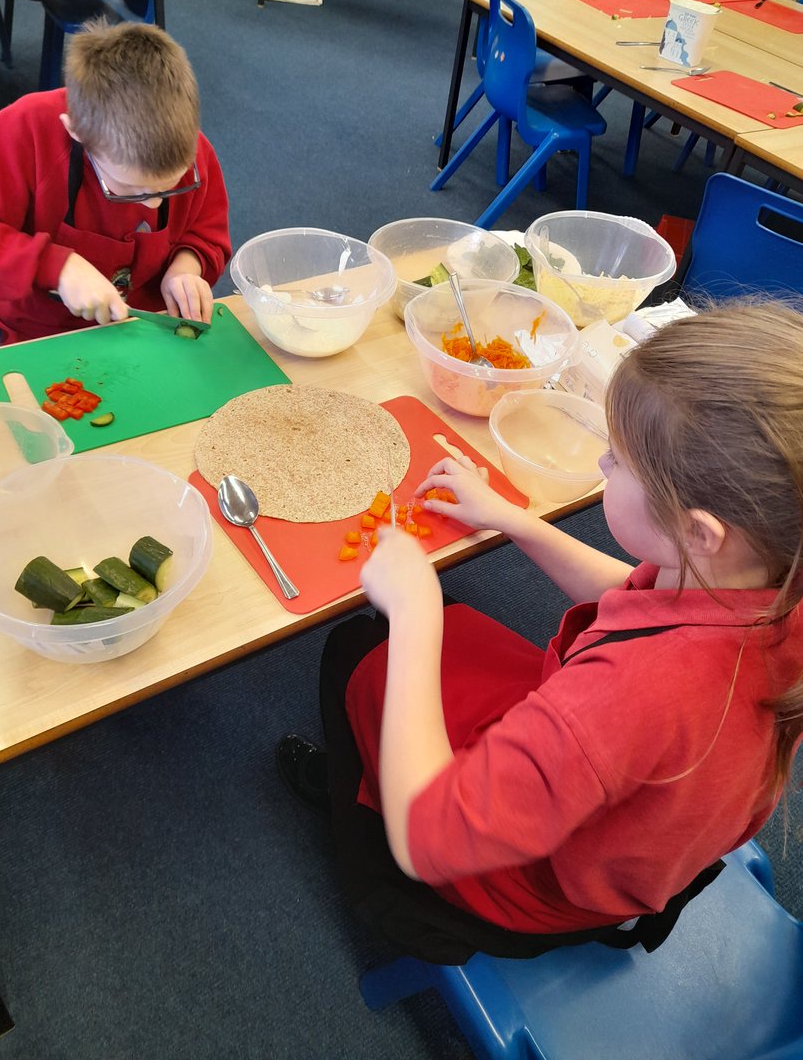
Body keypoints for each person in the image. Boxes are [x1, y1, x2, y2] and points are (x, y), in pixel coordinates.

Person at [278, 300, 803, 963]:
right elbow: (632, 594)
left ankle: (356, 809)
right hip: (620, 827)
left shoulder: (637, 695)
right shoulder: (767, 578)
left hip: (526, 886)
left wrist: (416, 615)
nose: (603, 465)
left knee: (354, 649)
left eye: (619, 461)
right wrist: (514, 520)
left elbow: (431, 837)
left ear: (700, 532)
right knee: (443, 632)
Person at [0, 21, 230, 345]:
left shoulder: (185, 146)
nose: (153, 203)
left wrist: (187, 266)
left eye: (172, 185)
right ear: (76, 131)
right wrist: (56, 267)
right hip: (44, 336)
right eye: (130, 189)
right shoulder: (25, 133)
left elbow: (206, 230)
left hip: (149, 328)